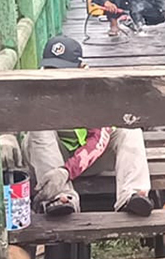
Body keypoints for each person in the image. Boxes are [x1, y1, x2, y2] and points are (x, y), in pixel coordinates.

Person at [22, 36, 154, 218]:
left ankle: (132, 195)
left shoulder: (95, 90)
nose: (57, 75)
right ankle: (59, 197)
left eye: (64, 70)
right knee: (38, 129)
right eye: (51, 68)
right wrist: (5, 140)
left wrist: (66, 171)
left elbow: (99, 139)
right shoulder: (32, 87)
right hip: (49, 162)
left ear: (81, 68)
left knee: (130, 131)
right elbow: (8, 117)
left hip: (88, 159)